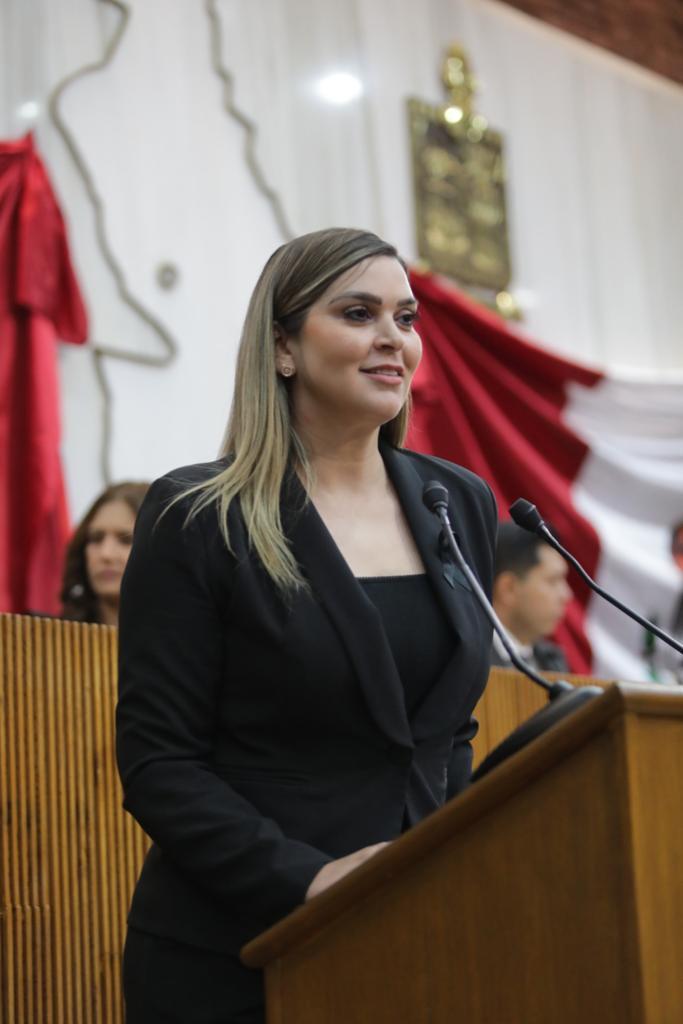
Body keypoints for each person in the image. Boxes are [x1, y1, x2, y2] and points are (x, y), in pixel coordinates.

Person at [115, 227, 498, 1023]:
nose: (392, 338)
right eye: (358, 313)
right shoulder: (199, 515)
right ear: (283, 347)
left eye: (405, 317)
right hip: (237, 951)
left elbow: (443, 735)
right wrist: (309, 879)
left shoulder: (455, 502)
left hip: (413, 934)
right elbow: (160, 762)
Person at [61, 481, 149, 626]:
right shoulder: (50, 635)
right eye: (96, 538)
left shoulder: (187, 637)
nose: (106, 554)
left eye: (125, 540)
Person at [490, 521, 571, 672]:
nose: (566, 595)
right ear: (508, 588)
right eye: (553, 581)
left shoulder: (553, 662)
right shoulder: (466, 662)